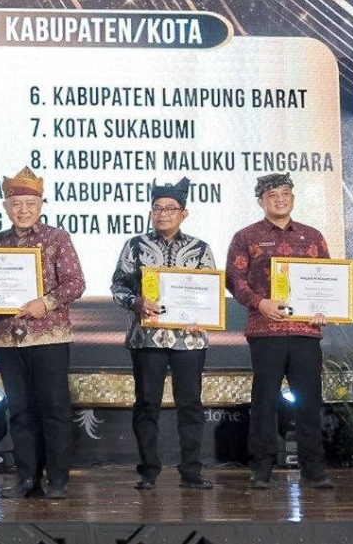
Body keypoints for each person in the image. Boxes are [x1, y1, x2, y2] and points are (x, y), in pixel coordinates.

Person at [0, 167, 84, 499]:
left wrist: (44, 303)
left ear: (41, 205)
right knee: (19, 410)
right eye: (16, 204)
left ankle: (57, 479)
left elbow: (76, 283)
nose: (23, 210)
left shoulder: (57, 238)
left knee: (54, 409)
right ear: (6, 207)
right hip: (8, 339)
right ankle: (26, 477)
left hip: (49, 338)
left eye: (30, 204)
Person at [226, 173, 333, 490]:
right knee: (264, 401)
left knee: (309, 401)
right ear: (261, 201)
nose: (280, 199)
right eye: (272, 195)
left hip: (305, 331)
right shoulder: (246, 236)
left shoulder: (312, 237)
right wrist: (259, 303)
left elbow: (328, 278)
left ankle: (314, 469)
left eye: (285, 193)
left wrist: (324, 307)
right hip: (266, 330)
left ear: (293, 198)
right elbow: (234, 279)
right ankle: (261, 468)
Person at [110, 177, 216, 491]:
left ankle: (192, 471)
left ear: (184, 213)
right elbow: (117, 286)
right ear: (150, 212)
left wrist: (201, 317)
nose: (163, 214)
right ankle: (148, 471)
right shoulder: (135, 245)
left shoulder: (200, 248)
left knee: (191, 404)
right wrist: (136, 301)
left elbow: (210, 293)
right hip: (147, 337)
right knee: (146, 404)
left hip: (189, 338)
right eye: (157, 208)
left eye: (170, 209)